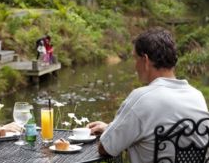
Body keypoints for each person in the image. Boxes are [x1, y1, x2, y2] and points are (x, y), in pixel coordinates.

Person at [87, 27, 209, 163]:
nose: (135, 66)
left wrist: (113, 136)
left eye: (135, 59)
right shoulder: (196, 96)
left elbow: (106, 148)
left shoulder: (141, 98)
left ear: (145, 60)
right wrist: (110, 129)